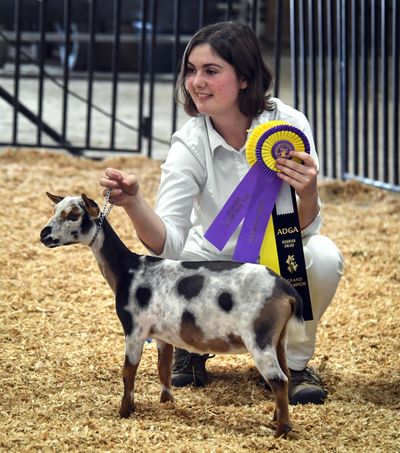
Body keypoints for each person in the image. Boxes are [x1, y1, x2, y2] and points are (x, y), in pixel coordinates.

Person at [99, 21, 344, 405]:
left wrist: (309, 192)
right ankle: (189, 346)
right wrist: (134, 203)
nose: (196, 82)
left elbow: (307, 229)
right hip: (209, 262)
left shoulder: (289, 125)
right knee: (169, 265)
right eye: (191, 70)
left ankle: (293, 365)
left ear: (245, 78)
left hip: (273, 257)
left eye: (211, 71)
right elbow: (169, 241)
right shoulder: (189, 141)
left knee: (323, 257)